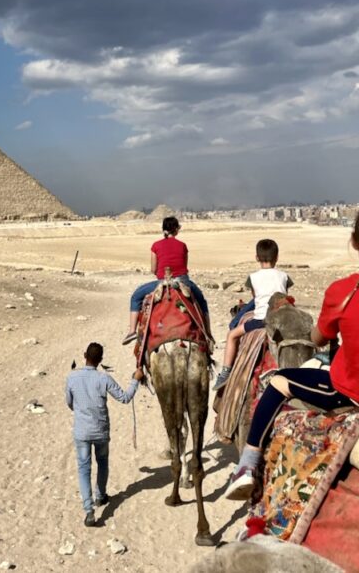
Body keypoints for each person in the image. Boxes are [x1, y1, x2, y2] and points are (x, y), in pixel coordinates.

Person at [223, 201, 359, 500]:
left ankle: (248, 464)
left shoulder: (342, 291)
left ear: (355, 242)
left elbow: (317, 339)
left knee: (276, 382)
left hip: (351, 393)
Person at [65, 342, 146, 526]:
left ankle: (88, 509)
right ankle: (100, 496)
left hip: (82, 431)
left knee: (84, 469)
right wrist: (135, 379)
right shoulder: (104, 379)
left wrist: (80, 409)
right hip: (101, 431)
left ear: (84, 355)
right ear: (101, 360)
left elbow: (69, 403)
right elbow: (125, 398)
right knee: (102, 463)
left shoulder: (72, 378)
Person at [212, 239, 293, 391]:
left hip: (262, 321)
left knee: (232, 335)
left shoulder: (253, 277)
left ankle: (226, 372)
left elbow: (256, 297)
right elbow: (285, 295)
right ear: (277, 257)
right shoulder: (284, 276)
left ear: (257, 258)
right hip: (283, 320)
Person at [123, 216, 209, 344]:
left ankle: (131, 332)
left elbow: (153, 269)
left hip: (162, 283)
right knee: (201, 301)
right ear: (175, 230)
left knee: (136, 297)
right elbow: (184, 267)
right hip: (182, 282)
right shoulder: (183, 245)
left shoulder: (156, 246)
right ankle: (208, 333)